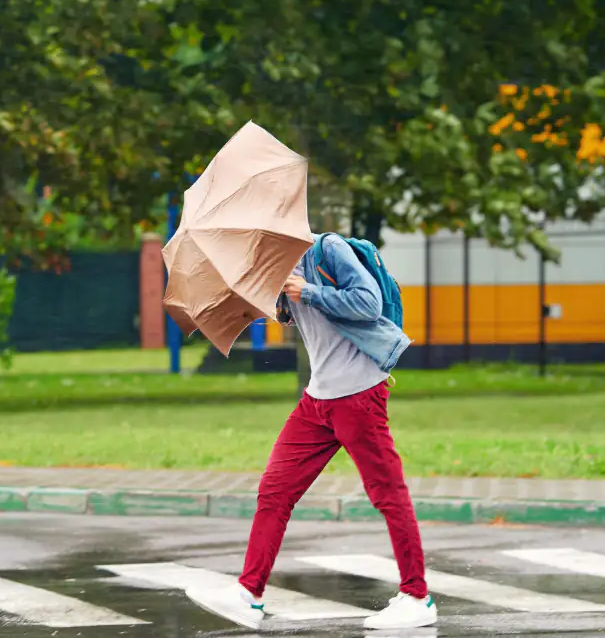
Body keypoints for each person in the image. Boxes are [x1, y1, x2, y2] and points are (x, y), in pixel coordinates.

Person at [186, 233, 437, 631]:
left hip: (358, 395)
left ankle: (417, 597)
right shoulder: (277, 266)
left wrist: (310, 292)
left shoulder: (327, 249)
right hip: (318, 401)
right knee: (274, 490)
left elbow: (368, 303)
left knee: (387, 493)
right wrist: (273, 304)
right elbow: (300, 318)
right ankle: (248, 595)